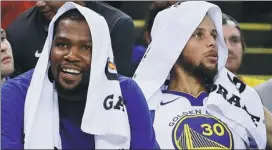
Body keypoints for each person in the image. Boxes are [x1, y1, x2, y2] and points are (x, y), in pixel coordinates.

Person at [1, 3, 157, 149]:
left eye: (86, 48)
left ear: (101, 55)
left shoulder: (127, 93)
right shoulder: (16, 94)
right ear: (49, 49)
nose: (71, 56)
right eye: (62, 44)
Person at [133, 1, 272, 149]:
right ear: (173, 44)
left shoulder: (238, 99)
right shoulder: (144, 106)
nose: (213, 42)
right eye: (198, 34)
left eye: (213, 35)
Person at [6, 1, 135, 77]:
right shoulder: (18, 31)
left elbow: (118, 87)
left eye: (85, 47)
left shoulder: (116, 25)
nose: (39, 3)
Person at [222, 13, 265, 87]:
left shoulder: (261, 89)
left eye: (235, 40)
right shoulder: (196, 93)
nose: (229, 48)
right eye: (221, 41)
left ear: (243, 47)